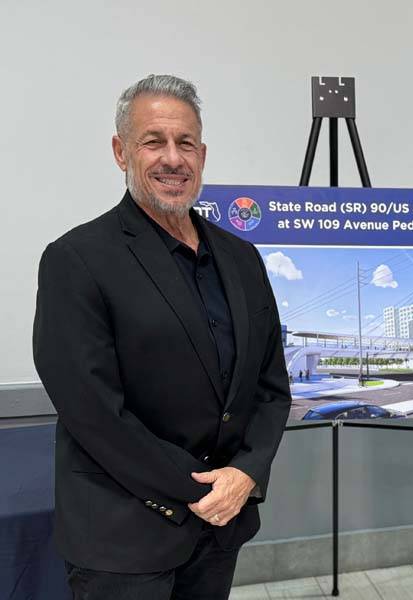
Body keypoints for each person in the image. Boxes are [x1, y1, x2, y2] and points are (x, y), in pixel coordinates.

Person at [33, 74, 291, 599]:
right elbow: (94, 412)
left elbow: (270, 387)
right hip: (123, 539)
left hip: (219, 529)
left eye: (186, 143)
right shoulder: (77, 259)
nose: (173, 158)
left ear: (202, 154)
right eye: (154, 141)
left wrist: (245, 473)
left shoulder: (241, 259)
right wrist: (199, 488)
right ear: (120, 151)